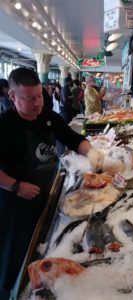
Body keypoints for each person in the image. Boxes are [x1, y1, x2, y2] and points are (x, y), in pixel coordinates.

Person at [0, 67, 100, 297]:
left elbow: (72, 138)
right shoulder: (4, 125)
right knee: (15, 258)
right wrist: (15, 185)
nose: (37, 103)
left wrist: (93, 154)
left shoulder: (46, 116)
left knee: (43, 252)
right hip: (16, 205)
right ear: (13, 96)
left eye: (39, 95)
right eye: (29, 98)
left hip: (46, 195)